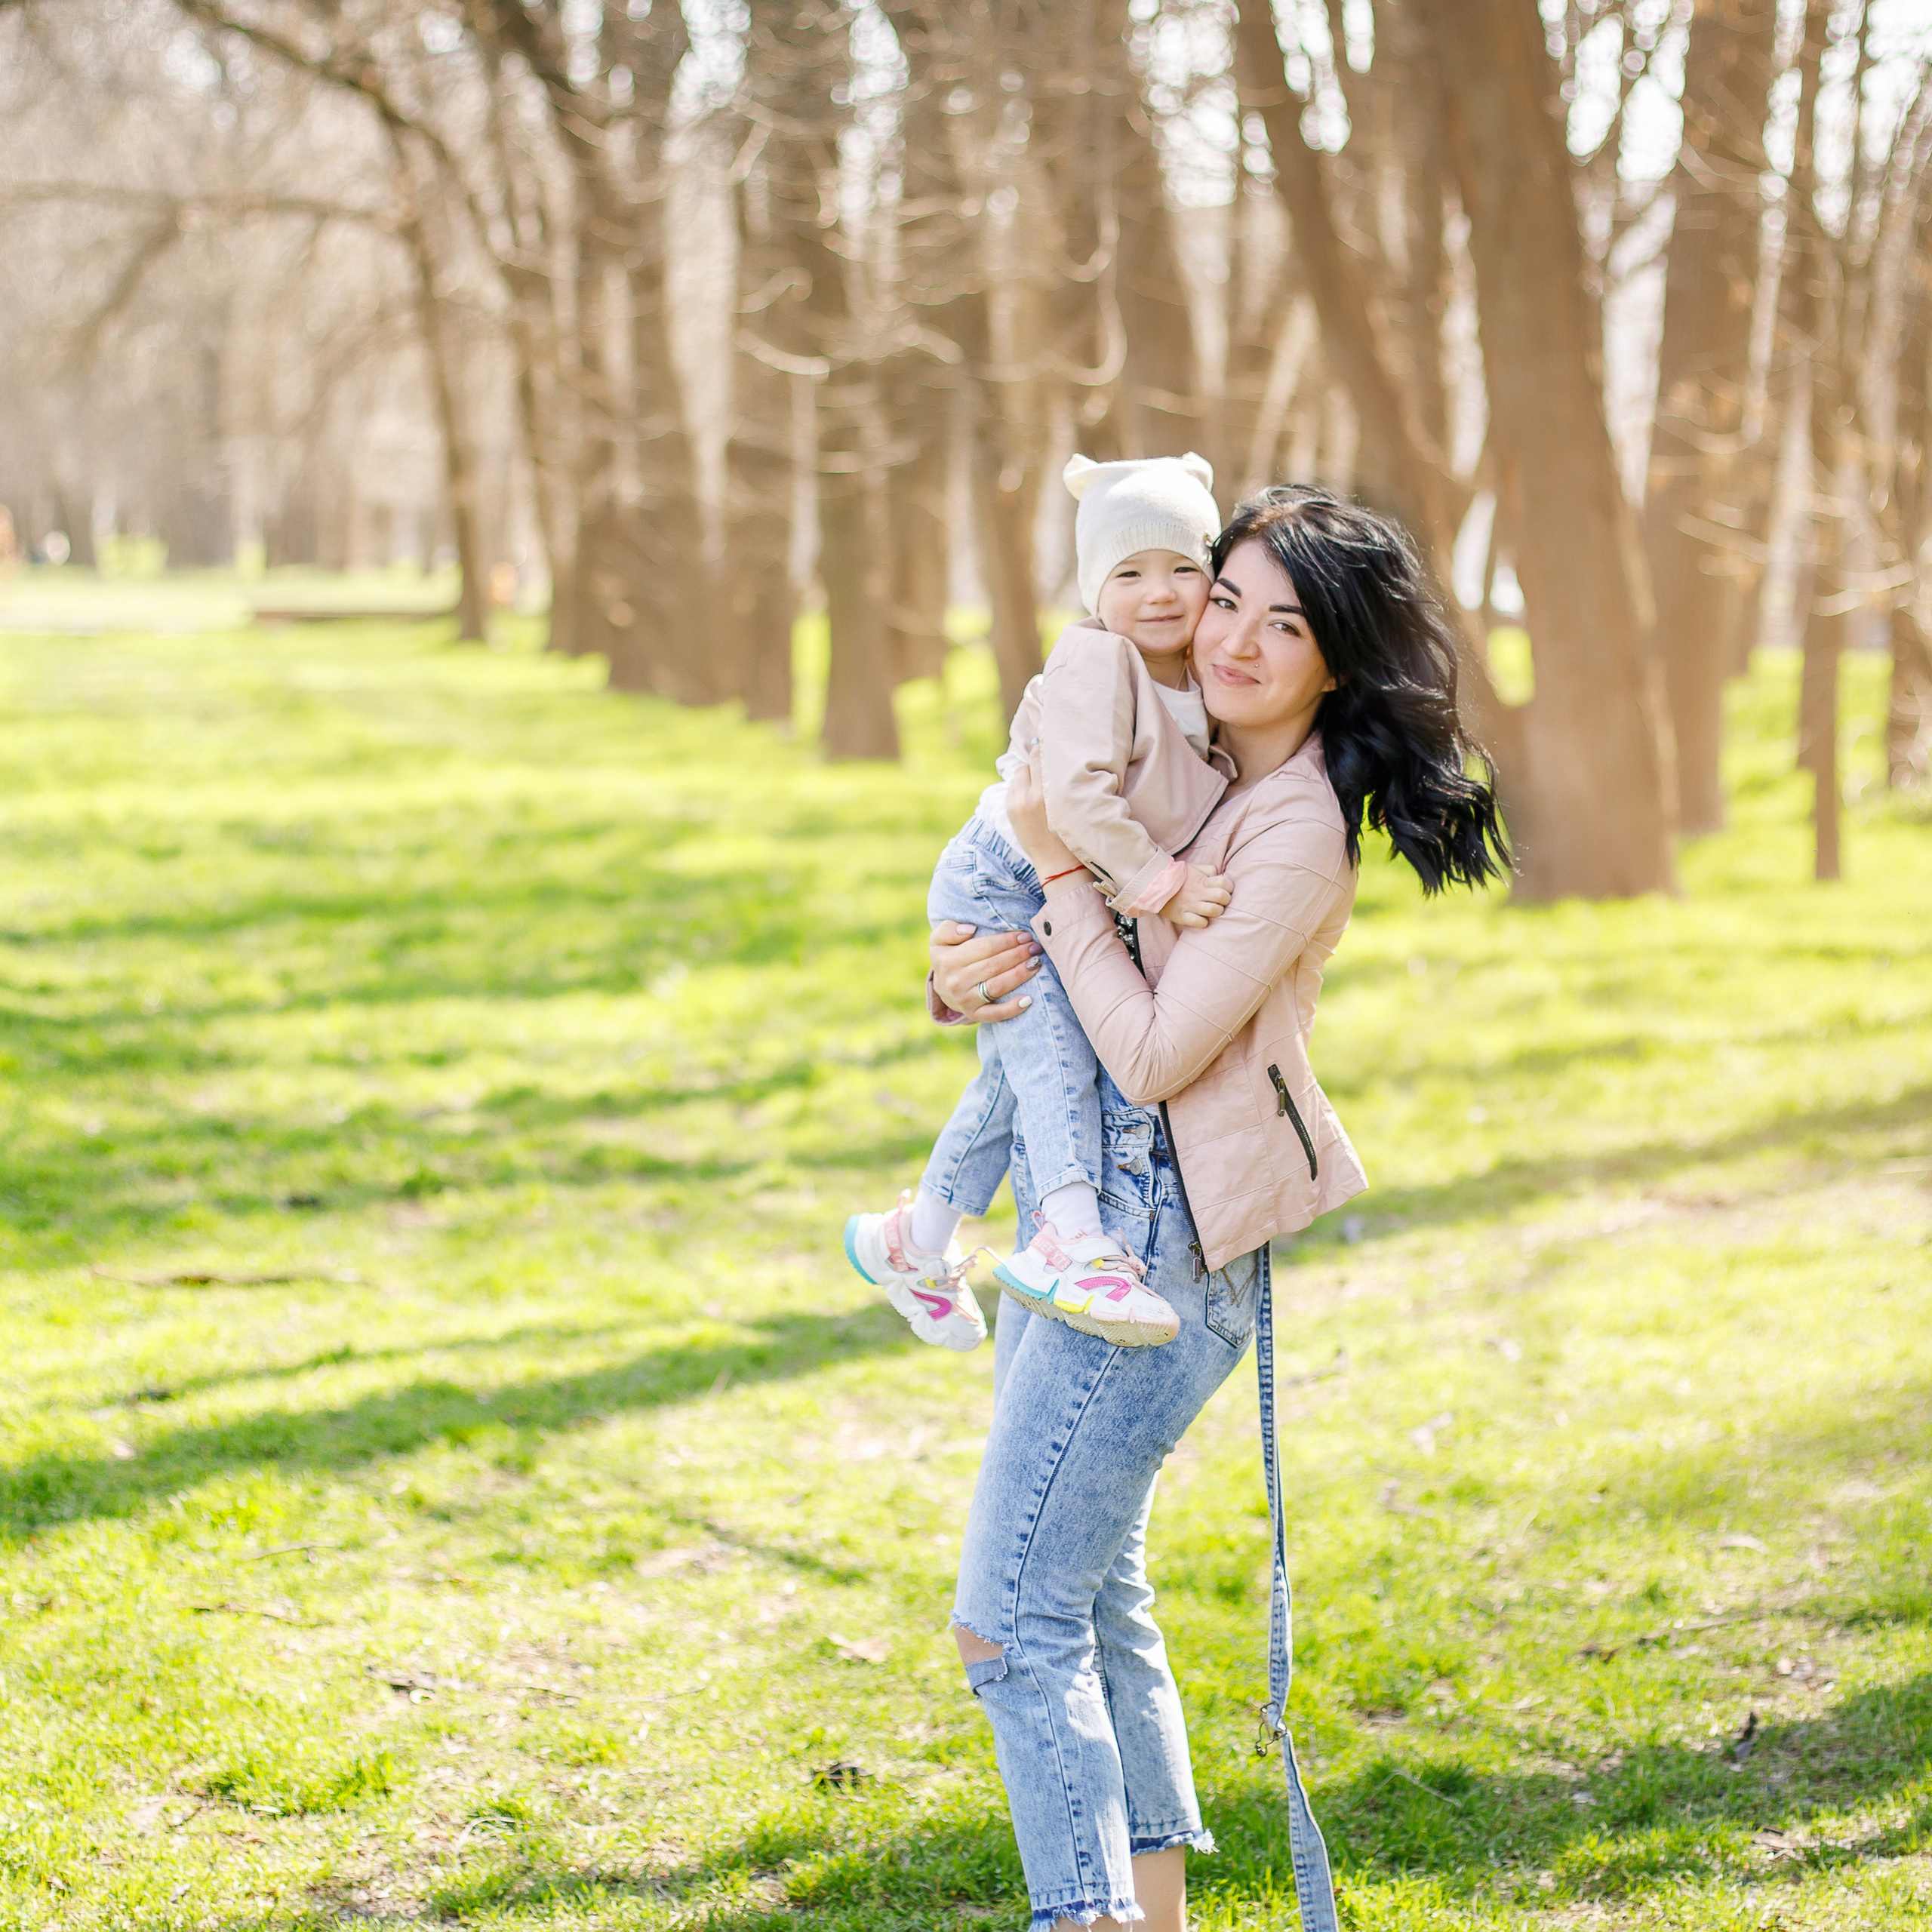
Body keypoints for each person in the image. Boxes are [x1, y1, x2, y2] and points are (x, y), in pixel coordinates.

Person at [930, 488, 1509, 1932]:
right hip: (1091, 1232)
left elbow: (1145, 1051)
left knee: (1010, 1627)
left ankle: (1087, 1918)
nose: (1239, 636)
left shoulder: (1295, 826)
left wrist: (1056, 862)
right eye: (1230, 598)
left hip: (1154, 1253)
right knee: (1100, 1600)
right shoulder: (1173, 747)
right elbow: (1059, 987)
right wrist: (968, 974)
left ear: (1336, 660)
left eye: (1287, 621)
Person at [845, 453, 1236, 1352]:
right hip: (1005, 873)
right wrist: (1158, 886)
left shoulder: (1187, 675)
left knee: (1012, 1077)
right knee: (1053, 1060)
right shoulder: (1098, 657)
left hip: (1051, 878)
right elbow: (1078, 797)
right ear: (1095, 588)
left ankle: (912, 1238)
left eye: (1183, 566)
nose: (1160, 591)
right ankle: (1071, 1235)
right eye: (1128, 573)